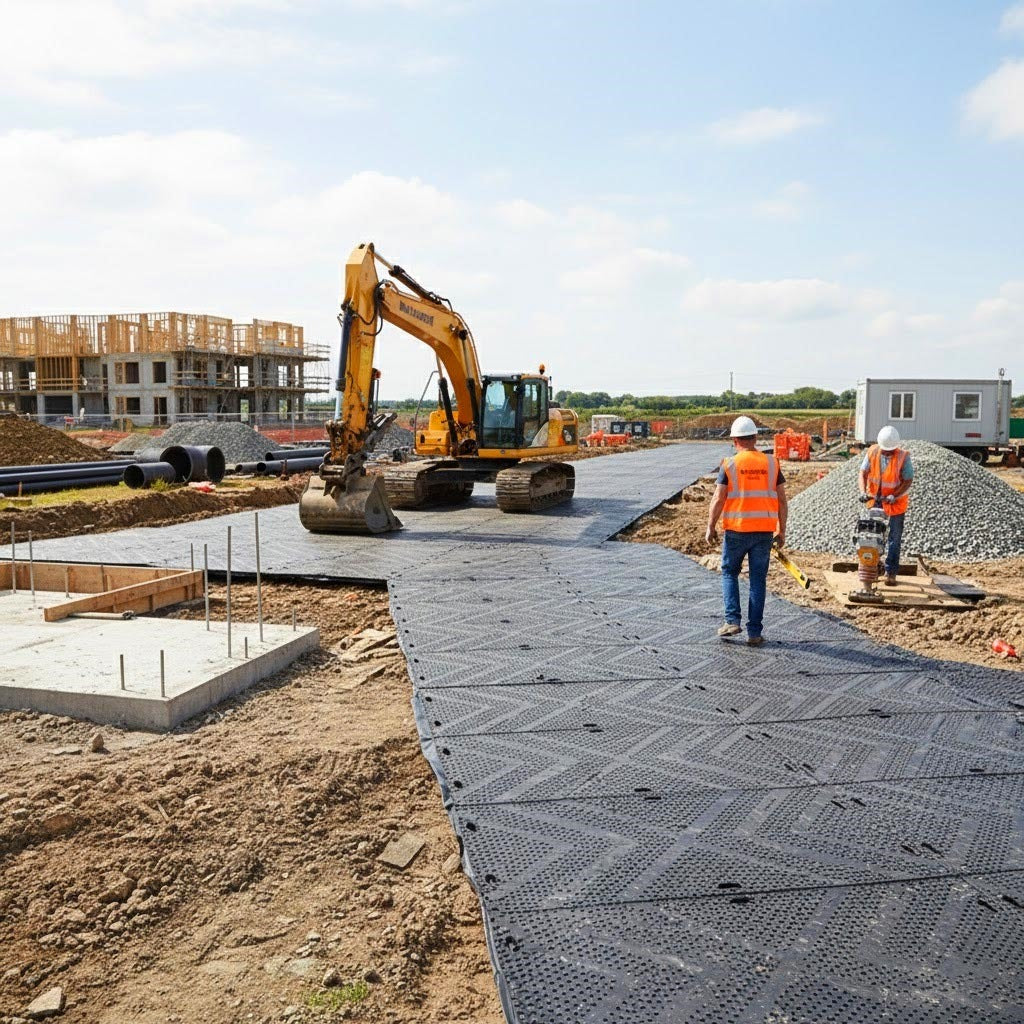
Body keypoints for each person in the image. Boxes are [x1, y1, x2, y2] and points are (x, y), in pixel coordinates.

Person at [705, 416, 788, 646]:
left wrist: (710, 526)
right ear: (755, 438)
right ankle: (754, 633)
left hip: (737, 531)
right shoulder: (772, 463)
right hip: (764, 532)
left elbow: (718, 497)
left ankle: (732, 620)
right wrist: (782, 531)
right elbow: (782, 500)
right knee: (758, 580)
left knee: (730, 572)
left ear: (734, 440)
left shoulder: (730, 464)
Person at [858, 425, 913, 585]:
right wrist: (862, 491)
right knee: (871, 536)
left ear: (895, 447)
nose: (886, 453)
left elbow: (908, 480)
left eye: (889, 450)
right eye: (884, 450)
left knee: (894, 538)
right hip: (875, 499)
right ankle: (873, 569)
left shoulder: (903, 457)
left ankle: (891, 572)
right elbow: (862, 473)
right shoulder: (873, 451)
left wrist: (894, 495)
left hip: (895, 502)